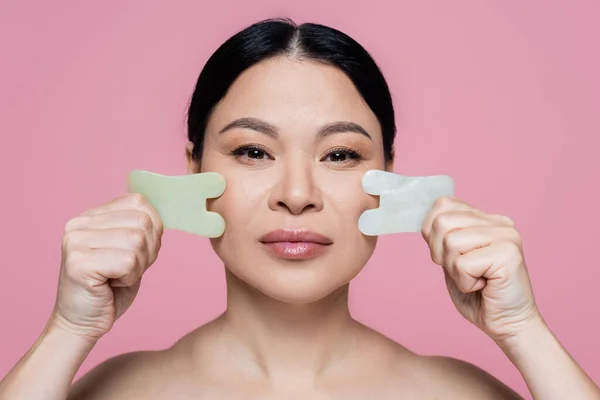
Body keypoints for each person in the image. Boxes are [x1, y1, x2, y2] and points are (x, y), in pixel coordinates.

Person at [1, 18, 598, 400]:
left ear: (386, 177)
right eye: (254, 151)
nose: (297, 192)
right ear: (194, 172)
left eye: (339, 154)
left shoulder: (462, 395)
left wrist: (523, 331)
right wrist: (68, 332)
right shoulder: (109, 392)